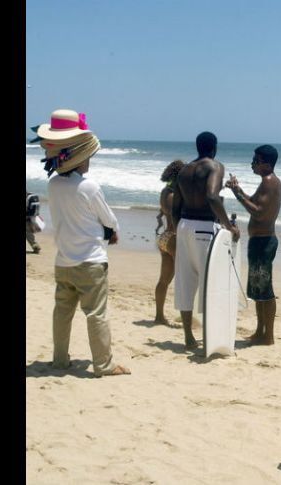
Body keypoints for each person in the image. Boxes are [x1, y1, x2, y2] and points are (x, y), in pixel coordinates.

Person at [32, 108, 130, 377]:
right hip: (90, 263)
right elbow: (108, 218)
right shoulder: (89, 186)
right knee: (96, 313)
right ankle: (103, 364)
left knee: (62, 312)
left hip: (63, 261)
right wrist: (114, 231)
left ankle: (59, 360)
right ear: (78, 156)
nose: (90, 161)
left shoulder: (53, 184)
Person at [172, 132, 240, 350]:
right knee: (210, 281)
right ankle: (209, 337)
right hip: (204, 227)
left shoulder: (184, 170)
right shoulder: (215, 166)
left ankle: (188, 337)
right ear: (214, 147)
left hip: (183, 225)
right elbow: (211, 196)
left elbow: (175, 206)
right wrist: (228, 226)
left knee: (185, 281)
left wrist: (178, 230)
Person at [226, 144, 281, 345]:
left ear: (266, 164)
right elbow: (254, 202)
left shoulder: (270, 182)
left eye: (255, 161)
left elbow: (258, 211)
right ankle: (260, 332)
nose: (252, 164)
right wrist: (238, 190)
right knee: (259, 291)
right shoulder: (266, 181)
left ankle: (268, 335)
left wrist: (237, 193)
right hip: (259, 241)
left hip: (264, 241)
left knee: (265, 291)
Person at [154, 160, 185, 326]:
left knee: (164, 280)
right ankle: (186, 317)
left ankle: (159, 316)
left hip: (164, 237)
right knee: (183, 279)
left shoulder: (165, 191)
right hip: (174, 238)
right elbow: (178, 220)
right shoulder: (175, 195)